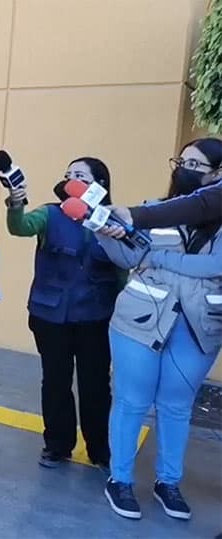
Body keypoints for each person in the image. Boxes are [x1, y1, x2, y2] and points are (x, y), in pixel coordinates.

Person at [96, 137, 222, 522]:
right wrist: (105, 232)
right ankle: (119, 480)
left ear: (218, 175)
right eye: (180, 161)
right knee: (132, 401)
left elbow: (214, 266)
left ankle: (168, 482)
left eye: (195, 165)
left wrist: (159, 256)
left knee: (176, 406)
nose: (182, 169)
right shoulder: (153, 210)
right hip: (138, 323)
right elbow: (127, 257)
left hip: (199, 329)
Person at [6, 157, 122, 470]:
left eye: (81, 175)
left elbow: (122, 269)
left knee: (95, 383)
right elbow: (19, 227)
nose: (72, 179)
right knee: (55, 380)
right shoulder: (50, 214)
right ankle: (57, 444)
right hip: (50, 313)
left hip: (95, 315)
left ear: (100, 186)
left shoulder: (113, 221)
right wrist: (15, 205)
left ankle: (101, 448)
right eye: (69, 174)